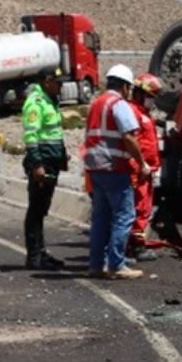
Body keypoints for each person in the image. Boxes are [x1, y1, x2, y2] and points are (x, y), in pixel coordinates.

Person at [84, 64, 146, 280]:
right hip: (114, 167)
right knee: (124, 215)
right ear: (124, 86)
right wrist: (142, 164)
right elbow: (129, 137)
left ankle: (96, 264)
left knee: (101, 217)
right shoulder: (118, 104)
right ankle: (116, 265)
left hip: (94, 168)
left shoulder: (95, 104)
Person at [20, 69, 70, 269]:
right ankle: (34, 256)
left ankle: (41, 253)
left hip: (51, 161)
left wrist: (62, 156)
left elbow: (54, 132)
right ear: (47, 82)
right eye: (58, 83)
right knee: (36, 210)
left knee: (42, 209)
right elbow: (31, 137)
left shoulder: (50, 100)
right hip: (42, 163)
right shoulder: (36, 102)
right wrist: (37, 165)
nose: (61, 87)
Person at [128, 73, 163, 259]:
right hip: (139, 170)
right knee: (139, 207)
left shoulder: (143, 113)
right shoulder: (133, 112)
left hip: (145, 169)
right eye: (150, 96)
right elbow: (132, 141)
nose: (152, 101)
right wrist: (139, 165)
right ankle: (137, 246)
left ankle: (133, 244)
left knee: (143, 206)